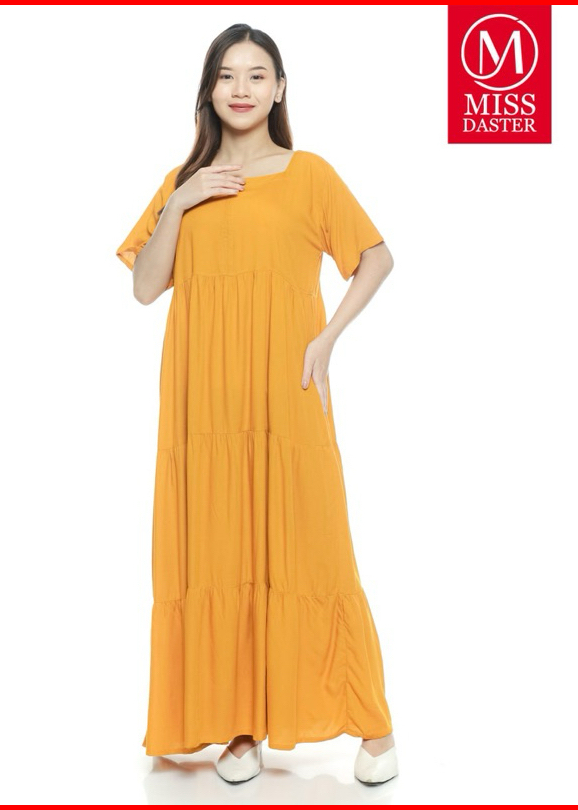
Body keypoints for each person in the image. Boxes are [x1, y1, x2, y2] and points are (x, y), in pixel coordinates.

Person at [116, 23, 399, 786]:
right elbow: (144, 287)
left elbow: (376, 259)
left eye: (257, 74)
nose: (240, 88)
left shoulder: (309, 174)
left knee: (313, 549)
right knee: (219, 550)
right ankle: (239, 730)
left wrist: (328, 339)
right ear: (208, 89)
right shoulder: (183, 181)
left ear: (279, 89)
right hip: (202, 403)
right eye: (226, 75)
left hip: (286, 392)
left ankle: (374, 728)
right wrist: (182, 201)